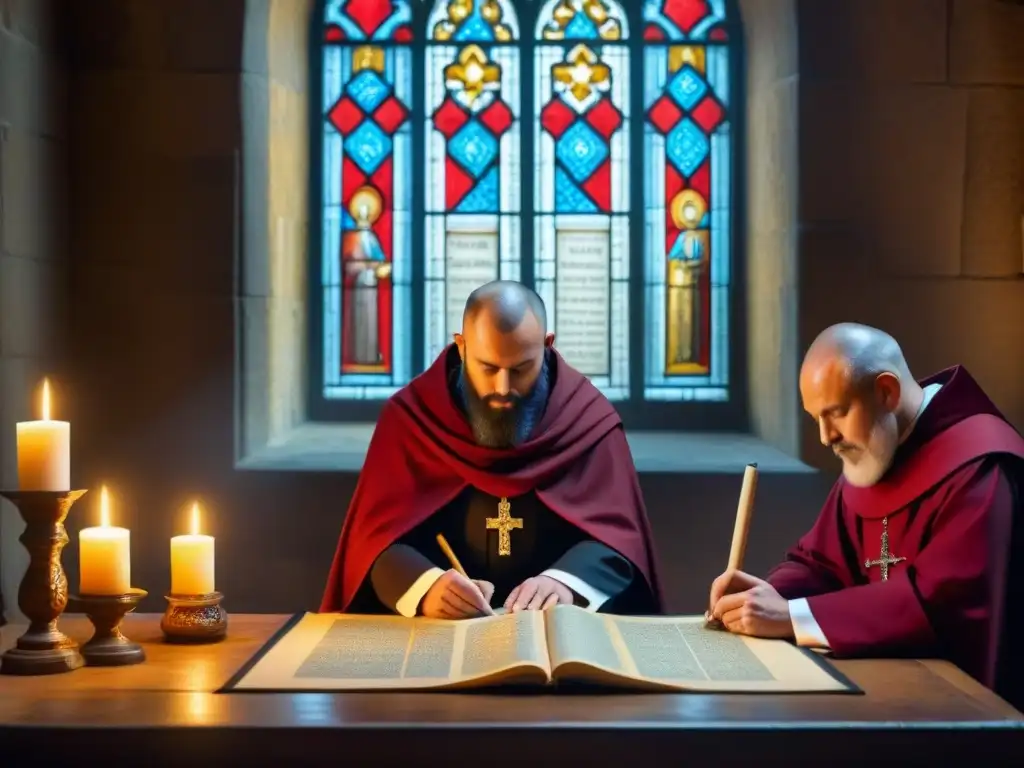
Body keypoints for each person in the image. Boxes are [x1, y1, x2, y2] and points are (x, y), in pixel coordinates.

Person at [707, 323, 1024, 705]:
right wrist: (769, 594)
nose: (826, 437)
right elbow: (821, 562)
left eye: (836, 413)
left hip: (960, 711)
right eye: (816, 418)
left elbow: (942, 604)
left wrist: (791, 617)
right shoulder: (876, 450)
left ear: (886, 392)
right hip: (878, 692)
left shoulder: (982, 465)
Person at [320, 280, 664, 619]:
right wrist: (426, 587)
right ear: (461, 346)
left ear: (547, 345)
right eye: (488, 368)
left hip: (555, 641)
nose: (503, 387)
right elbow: (372, 539)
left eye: (520, 369)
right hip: (435, 643)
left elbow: (620, 535)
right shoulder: (411, 420)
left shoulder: (588, 421)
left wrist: (565, 583)